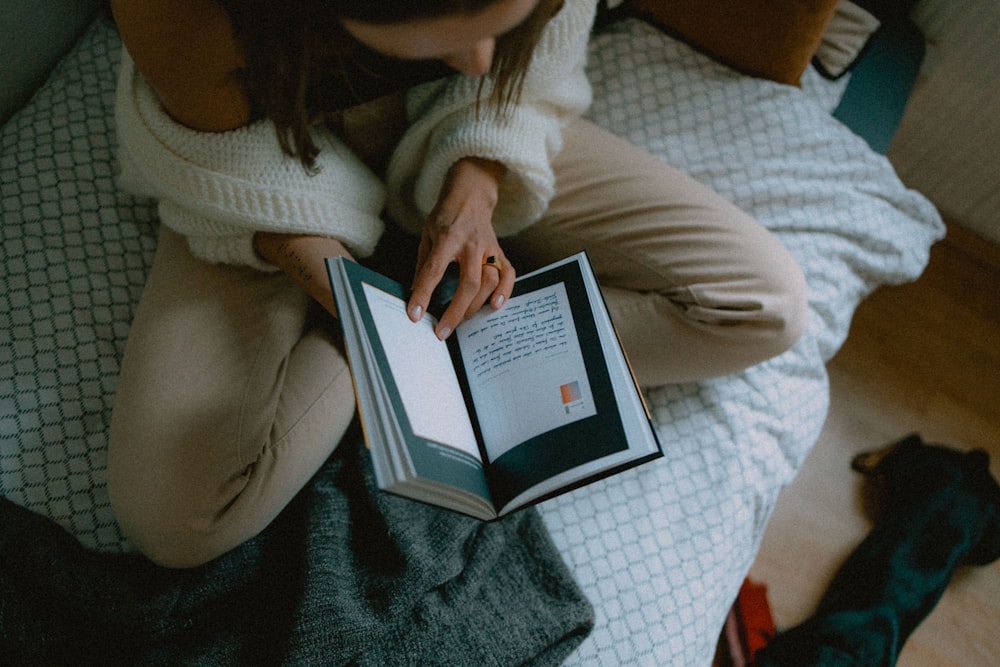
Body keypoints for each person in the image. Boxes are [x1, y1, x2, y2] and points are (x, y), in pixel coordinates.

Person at [107, 0, 808, 568]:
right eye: (449, 35)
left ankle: (463, 334)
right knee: (174, 518)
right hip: (271, 155)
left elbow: (537, 48)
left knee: (764, 305)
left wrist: (480, 177)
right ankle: (426, 340)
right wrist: (360, 308)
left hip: (453, 123)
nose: (481, 59)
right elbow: (214, 146)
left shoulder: (483, 64)